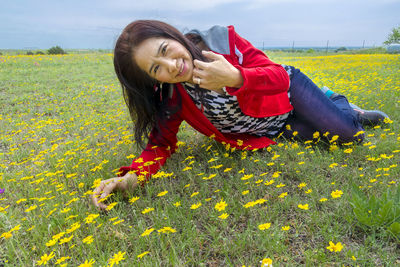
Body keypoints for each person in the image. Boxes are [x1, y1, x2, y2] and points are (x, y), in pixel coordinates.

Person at [91, 20, 389, 209]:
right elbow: (160, 144)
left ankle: (335, 101)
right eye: (156, 68)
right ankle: (330, 111)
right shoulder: (172, 97)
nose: (170, 65)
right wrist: (132, 178)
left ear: (174, 36)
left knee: (352, 136)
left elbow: (277, 76)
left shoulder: (222, 42)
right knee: (325, 138)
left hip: (287, 91)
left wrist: (236, 77)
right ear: (153, 79)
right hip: (273, 128)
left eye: (166, 50)